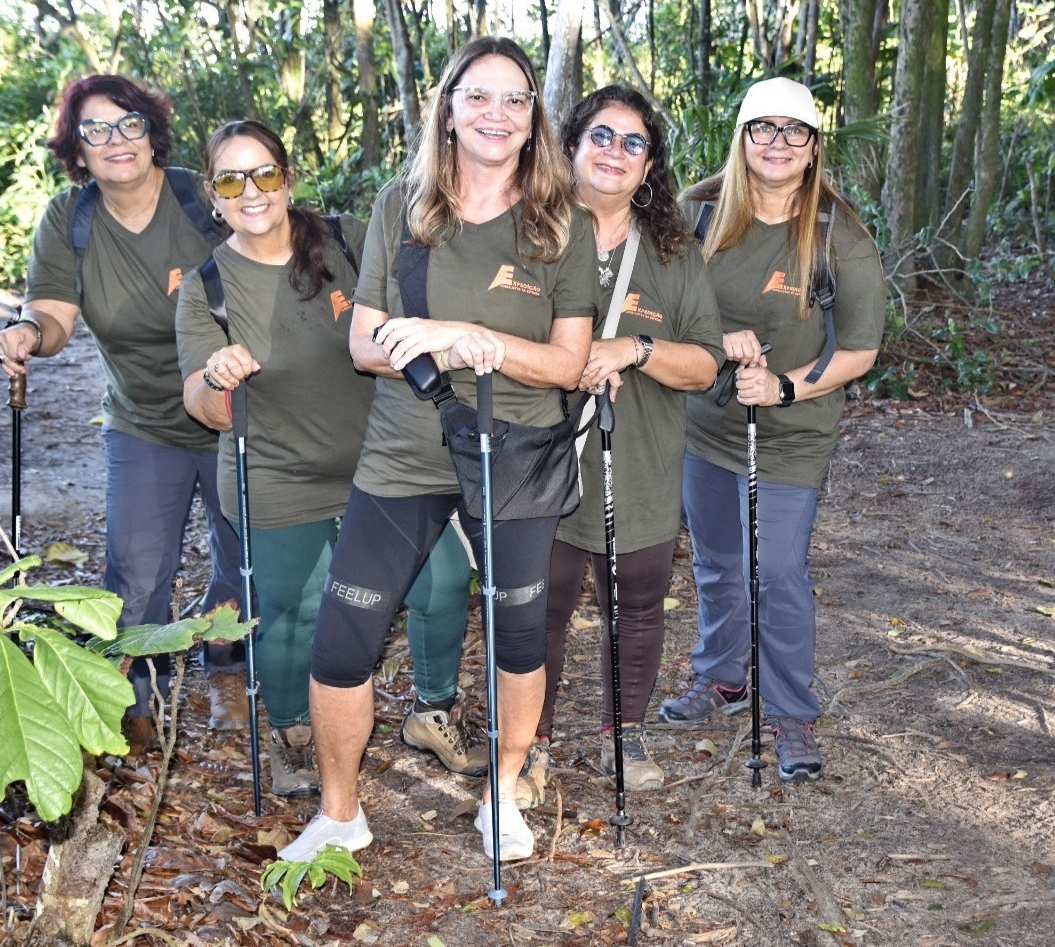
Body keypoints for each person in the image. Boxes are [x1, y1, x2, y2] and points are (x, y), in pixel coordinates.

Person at [277, 36, 597, 863]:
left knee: (519, 638)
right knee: (343, 637)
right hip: (404, 453)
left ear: (534, 121)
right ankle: (341, 811)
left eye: (515, 100)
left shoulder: (564, 224)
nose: (497, 114)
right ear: (447, 110)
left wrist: (466, 333)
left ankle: (503, 793)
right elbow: (363, 342)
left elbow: (566, 364)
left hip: (516, 454)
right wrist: (439, 346)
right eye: (477, 96)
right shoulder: (403, 205)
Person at [174, 120, 483, 798]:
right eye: (231, 179)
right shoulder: (207, 286)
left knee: (441, 579)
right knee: (295, 609)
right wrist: (217, 377)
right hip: (275, 476)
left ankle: (434, 710)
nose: (250, 191)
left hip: (379, 462)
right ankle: (293, 734)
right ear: (211, 193)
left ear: (288, 178)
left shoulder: (342, 242)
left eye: (264, 174)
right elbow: (199, 403)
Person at [0, 75, 244, 751]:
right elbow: (53, 315)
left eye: (127, 123)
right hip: (143, 422)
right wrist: (26, 334)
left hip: (234, 412)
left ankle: (228, 668)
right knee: (133, 574)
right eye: (94, 130)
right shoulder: (70, 220)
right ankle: (132, 701)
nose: (114, 141)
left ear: (151, 130)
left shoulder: (201, 199)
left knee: (245, 556)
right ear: (76, 146)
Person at [660, 77, 885, 781]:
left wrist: (786, 385)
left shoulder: (834, 233)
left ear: (813, 146)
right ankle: (722, 676)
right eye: (764, 128)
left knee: (778, 569)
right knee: (717, 559)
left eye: (794, 131)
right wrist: (715, 336)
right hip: (706, 425)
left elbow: (858, 348)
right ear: (742, 137)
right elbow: (652, 305)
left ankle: (790, 709)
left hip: (789, 435)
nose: (778, 143)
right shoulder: (693, 214)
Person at [520, 86, 725, 808]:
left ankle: (623, 732)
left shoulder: (672, 254)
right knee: (536, 604)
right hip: (542, 454)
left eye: (632, 143)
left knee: (636, 603)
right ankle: (528, 743)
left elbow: (703, 363)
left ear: (649, 166)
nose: (614, 153)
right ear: (570, 147)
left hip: (637, 457)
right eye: (600, 136)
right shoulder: (528, 230)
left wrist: (634, 347)